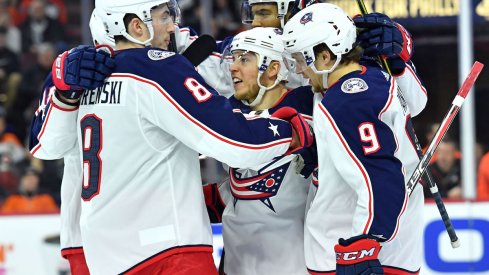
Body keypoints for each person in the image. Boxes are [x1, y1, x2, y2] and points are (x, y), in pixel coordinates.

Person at [44, 0, 312, 274]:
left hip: (103, 254)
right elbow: (234, 142)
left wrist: (60, 89)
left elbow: (45, 146)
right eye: (163, 17)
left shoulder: (77, 74)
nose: (173, 26)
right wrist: (291, 131)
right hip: (168, 250)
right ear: (137, 26)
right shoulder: (158, 67)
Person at [282, 3, 424, 274]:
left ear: (325, 56)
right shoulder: (376, 77)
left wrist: (364, 243)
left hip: (349, 248)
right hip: (378, 243)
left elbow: (379, 177)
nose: (299, 71)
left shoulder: (346, 100)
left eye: (301, 60)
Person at [209, 27, 314, 275]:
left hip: (294, 263)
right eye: (233, 59)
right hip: (238, 262)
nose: (233, 67)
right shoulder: (226, 113)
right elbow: (239, 185)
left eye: (244, 59)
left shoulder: (311, 104)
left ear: (273, 68)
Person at [29, 9, 115, 275]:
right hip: (90, 236)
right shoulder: (76, 67)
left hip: (148, 231)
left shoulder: (168, 67)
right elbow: (43, 146)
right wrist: (65, 93)